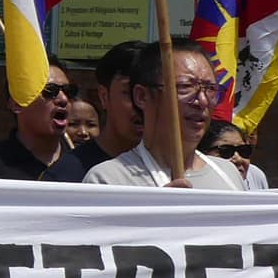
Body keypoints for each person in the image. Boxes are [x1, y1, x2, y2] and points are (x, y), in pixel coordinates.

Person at [84, 38, 245, 189]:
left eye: (210, 89)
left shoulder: (230, 175)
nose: (202, 101)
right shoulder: (108, 180)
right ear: (142, 96)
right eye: (185, 87)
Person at [46, 41, 147, 181]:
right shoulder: (66, 176)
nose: (142, 103)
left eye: (154, 92)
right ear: (104, 96)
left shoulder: (176, 168)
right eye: (130, 92)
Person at [0, 60, 74, 181]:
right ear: (16, 103)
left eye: (68, 91)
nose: (63, 99)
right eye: (50, 91)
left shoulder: (83, 165)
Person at [201, 119, 270, 191]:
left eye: (243, 150)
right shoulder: (191, 184)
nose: (238, 159)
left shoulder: (255, 175)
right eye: (226, 151)